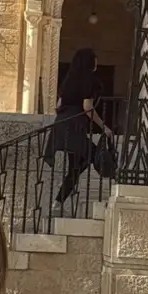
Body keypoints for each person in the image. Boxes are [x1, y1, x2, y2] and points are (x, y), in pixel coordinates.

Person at [45, 47, 113, 212]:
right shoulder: (88, 80)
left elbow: (58, 105)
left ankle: (60, 197)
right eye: (94, 60)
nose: (96, 63)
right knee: (93, 155)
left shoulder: (69, 79)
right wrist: (104, 126)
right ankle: (115, 182)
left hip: (62, 125)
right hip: (74, 127)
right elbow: (87, 107)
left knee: (77, 164)